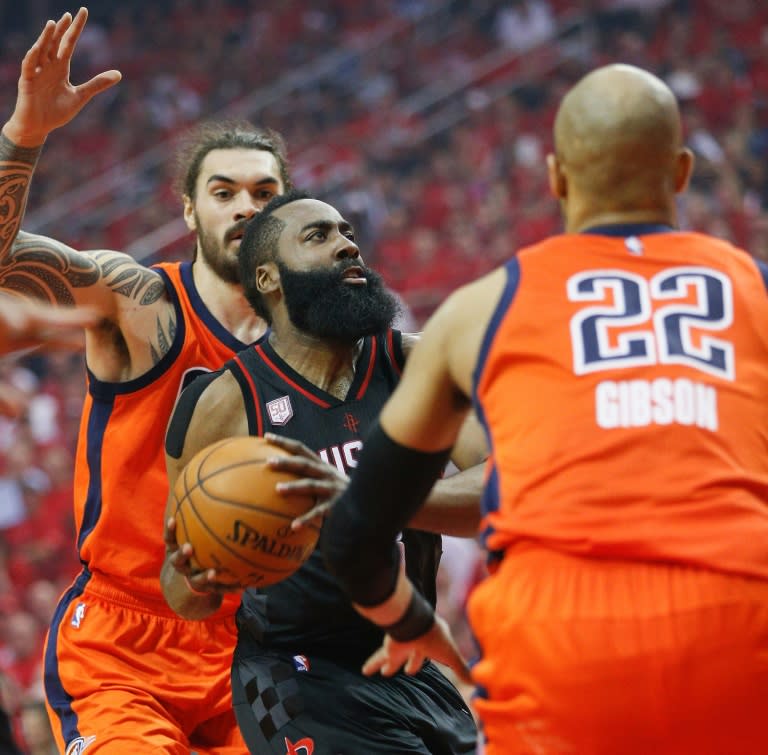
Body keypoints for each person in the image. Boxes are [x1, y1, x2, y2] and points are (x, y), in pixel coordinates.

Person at [321, 62, 768, 755]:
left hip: (560, 645)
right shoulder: (754, 290)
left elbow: (357, 529)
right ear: (682, 172)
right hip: (744, 630)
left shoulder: (479, 309)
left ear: (556, 176)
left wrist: (408, 620)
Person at [0, 8, 291, 753]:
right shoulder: (140, 302)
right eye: (224, 191)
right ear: (189, 210)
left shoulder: (317, 342)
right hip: (125, 641)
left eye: (263, 193)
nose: (245, 207)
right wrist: (24, 135)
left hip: (253, 648)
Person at [161, 189, 484, 754]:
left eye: (347, 233)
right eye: (319, 236)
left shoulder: (419, 363)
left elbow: (505, 488)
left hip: (410, 662)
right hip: (295, 675)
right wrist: (198, 574)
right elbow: (182, 594)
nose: (346, 246)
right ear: (268, 279)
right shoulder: (223, 402)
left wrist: (372, 497)